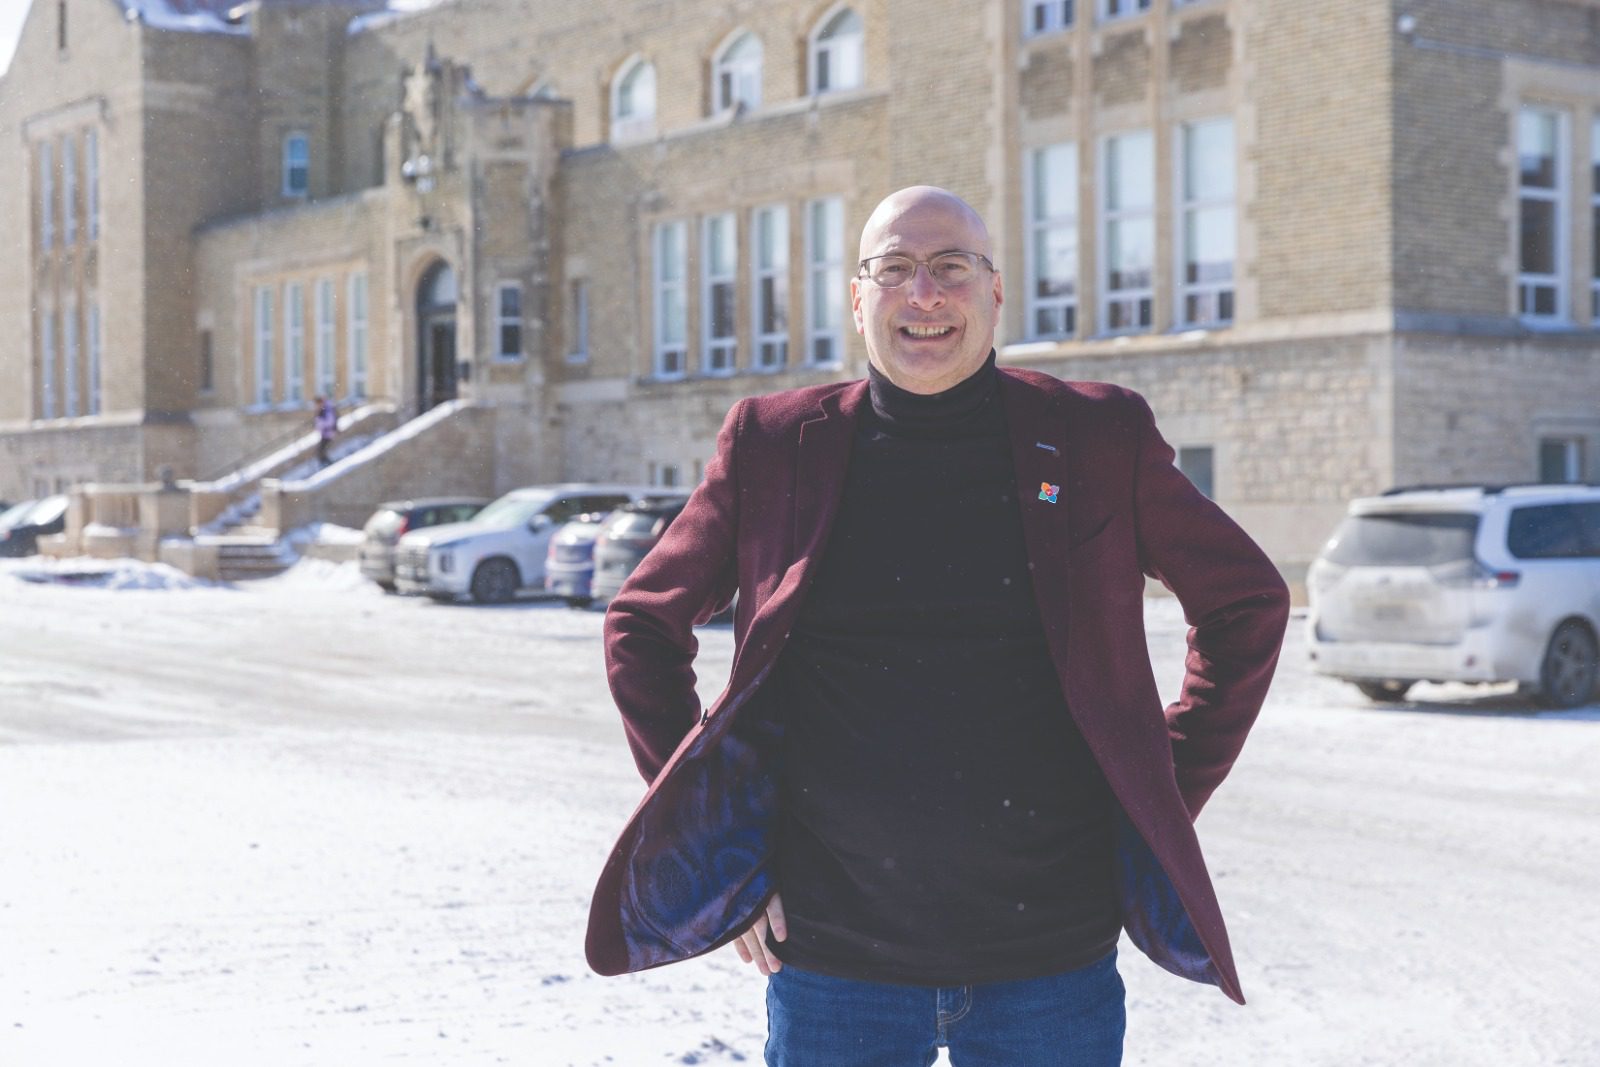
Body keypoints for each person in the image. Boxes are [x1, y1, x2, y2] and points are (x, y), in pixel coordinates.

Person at [586, 186, 1290, 1066]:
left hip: (1049, 967)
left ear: (996, 294)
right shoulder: (775, 444)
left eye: (952, 267)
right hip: (836, 967)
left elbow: (1245, 603)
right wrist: (717, 843)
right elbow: (642, 626)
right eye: (896, 269)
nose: (925, 294)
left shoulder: (1094, 436)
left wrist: (1155, 790)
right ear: (856, 298)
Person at [314, 395, 337, 466]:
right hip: (325, 432)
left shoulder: (326, 410)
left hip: (328, 432)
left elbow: (330, 421)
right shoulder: (323, 410)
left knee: (321, 449)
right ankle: (325, 463)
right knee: (321, 449)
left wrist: (322, 425)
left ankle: (327, 463)